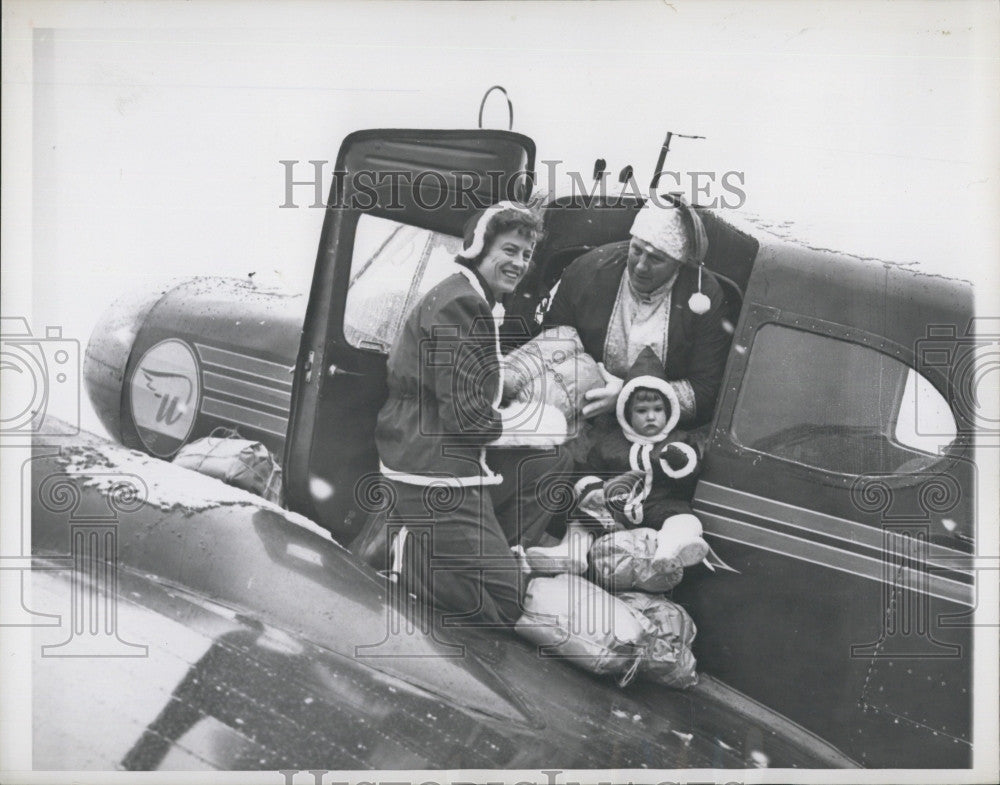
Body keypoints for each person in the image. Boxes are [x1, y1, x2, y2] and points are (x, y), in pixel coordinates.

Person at [372, 201, 571, 627]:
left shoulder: (469, 297)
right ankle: (404, 556)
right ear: (479, 246)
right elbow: (466, 418)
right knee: (506, 604)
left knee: (552, 461)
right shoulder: (460, 305)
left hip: (436, 452)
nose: (519, 262)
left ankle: (460, 550)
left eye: (526, 254)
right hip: (430, 464)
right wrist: (537, 422)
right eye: (509, 249)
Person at [544, 196, 730, 428]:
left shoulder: (704, 294)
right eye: (637, 250)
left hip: (657, 425)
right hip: (583, 409)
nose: (641, 266)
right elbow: (553, 342)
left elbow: (705, 390)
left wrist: (627, 396)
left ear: (678, 263)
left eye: (656, 259)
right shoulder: (587, 271)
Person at [526, 346, 709, 577]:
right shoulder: (611, 443)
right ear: (626, 412)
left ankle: (669, 550)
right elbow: (591, 471)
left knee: (686, 520)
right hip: (616, 507)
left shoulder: (679, 441)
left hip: (660, 505)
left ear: (669, 410)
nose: (651, 416)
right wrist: (592, 489)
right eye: (641, 410)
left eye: (658, 409)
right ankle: (571, 553)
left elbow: (690, 474)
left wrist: (680, 462)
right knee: (582, 518)